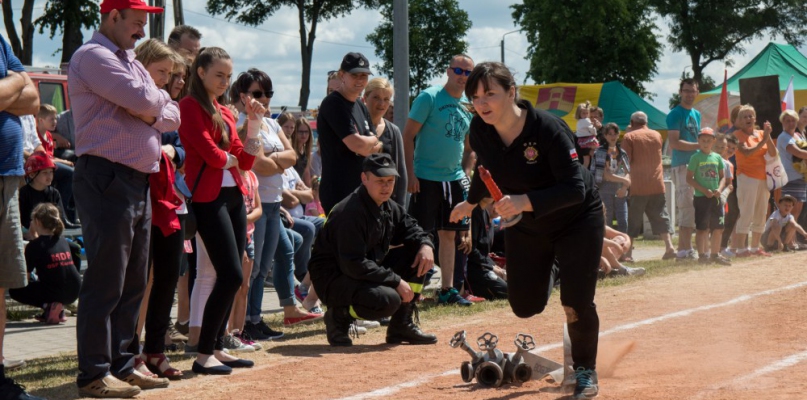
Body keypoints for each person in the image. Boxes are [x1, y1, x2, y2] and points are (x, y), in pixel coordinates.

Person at [450, 62, 603, 399]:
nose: (482, 103)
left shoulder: (547, 129)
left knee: (576, 300)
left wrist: (522, 200)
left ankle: (585, 372)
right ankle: (559, 263)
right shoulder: (480, 129)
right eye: (476, 97)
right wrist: (472, 203)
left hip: (576, 218)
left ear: (511, 92)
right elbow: (485, 168)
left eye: (490, 93)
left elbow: (575, 189)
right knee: (524, 305)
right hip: (528, 224)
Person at [68, 0, 179, 396]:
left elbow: (171, 115)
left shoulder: (130, 60)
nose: (141, 31)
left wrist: (151, 107)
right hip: (106, 177)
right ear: (111, 16)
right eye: (135, 22)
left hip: (135, 179)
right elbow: (152, 104)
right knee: (106, 280)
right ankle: (94, 374)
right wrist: (151, 107)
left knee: (133, 281)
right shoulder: (93, 56)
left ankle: (121, 363)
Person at [179, 47, 262, 375]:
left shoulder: (226, 112)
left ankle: (215, 347)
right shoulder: (189, 105)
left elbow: (246, 159)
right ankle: (203, 354)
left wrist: (253, 125)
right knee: (230, 274)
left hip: (233, 199)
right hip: (207, 199)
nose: (224, 81)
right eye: (219, 75)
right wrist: (231, 159)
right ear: (200, 72)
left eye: (228, 76)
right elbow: (211, 153)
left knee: (233, 274)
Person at [309, 153, 437, 347]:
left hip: (361, 269)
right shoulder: (350, 212)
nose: (386, 186)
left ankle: (401, 324)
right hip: (334, 278)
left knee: (417, 253)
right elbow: (353, 263)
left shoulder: (388, 206)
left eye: (390, 181)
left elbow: (412, 228)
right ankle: (339, 316)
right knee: (387, 300)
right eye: (379, 181)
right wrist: (396, 281)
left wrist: (426, 245)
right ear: (364, 179)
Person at [129, 37, 187, 380]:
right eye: (162, 71)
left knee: (167, 274)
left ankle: (155, 349)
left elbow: (181, 145)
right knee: (137, 279)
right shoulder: (129, 94)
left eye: (172, 73)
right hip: (138, 193)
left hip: (169, 201)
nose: (168, 79)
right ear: (142, 65)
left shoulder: (170, 102)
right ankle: (129, 350)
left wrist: (173, 153)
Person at [403, 54, 474, 306]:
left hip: (453, 179)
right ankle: (413, 289)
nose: (462, 76)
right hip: (425, 177)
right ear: (448, 71)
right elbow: (407, 136)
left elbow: (469, 148)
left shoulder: (469, 105)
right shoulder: (429, 97)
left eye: (467, 72)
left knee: (450, 235)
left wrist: (465, 174)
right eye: (458, 70)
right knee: (420, 235)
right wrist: (411, 174)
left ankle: (447, 290)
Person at [0, 23, 41, 400]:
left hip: (7, 175)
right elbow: (20, 89)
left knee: (0, 283)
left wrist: (10, 86)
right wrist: (16, 81)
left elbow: (33, 98)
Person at [317, 52, 381, 214]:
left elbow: (377, 146)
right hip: (339, 192)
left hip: (361, 189)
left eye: (364, 75)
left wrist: (368, 144)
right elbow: (357, 145)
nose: (360, 80)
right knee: (345, 238)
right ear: (342, 75)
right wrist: (368, 143)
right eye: (355, 75)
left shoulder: (360, 105)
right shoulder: (334, 103)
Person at [8, 203, 80, 324]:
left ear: (37, 221)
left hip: (56, 292)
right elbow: (76, 248)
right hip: (74, 291)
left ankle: (48, 306)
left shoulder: (34, 246)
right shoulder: (62, 240)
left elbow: (24, 277)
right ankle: (57, 309)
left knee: (15, 290)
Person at [622, 111, 677, 259]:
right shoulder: (656, 135)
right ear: (646, 122)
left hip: (638, 185)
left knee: (633, 219)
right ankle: (669, 247)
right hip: (656, 183)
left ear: (632, 123)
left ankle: (628, 254)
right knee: (661, 216)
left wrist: (628, 133)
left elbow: (625, 160)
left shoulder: (629, 137)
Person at [731, 105, 776, 257]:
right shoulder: (737, 135)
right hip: (746, 177)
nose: (748, 119)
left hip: (763, 178)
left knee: (761, 212)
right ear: (739, 121)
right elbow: (747, 153)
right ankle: (741, 249)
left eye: (751, 116)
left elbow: (773, 153)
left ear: (755, 118)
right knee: (746, 212)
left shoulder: (762, 134)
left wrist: (767, 136)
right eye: (745, 117)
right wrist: (764, 140)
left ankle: (755, 247)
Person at [685, 128, 730, 265]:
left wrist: (719, 189)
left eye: (709, 141)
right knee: (702, 228)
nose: (706, 143)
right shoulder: (695, 157)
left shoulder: (717, 158)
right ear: (698, 141)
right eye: (703, 140)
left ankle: (715, 255)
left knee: (718, 227)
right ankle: (702, 255)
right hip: (701, 198)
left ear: (713, 141)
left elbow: (723, 178)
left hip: (716, 198)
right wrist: (704, 190)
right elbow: (689, 178)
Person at [667, 78, 701, 261]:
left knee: (692, 208)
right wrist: (700, 145)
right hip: (681, 166)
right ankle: (684, 250)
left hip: (694, 165)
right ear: (680, 92)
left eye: (692, 91)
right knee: (686, 207)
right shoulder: (675, 114)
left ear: (697, 92)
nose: (689, 94)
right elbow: (673, 142)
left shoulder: (696, 114)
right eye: (686, 90)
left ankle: (684, 249)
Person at [363, 77, 407, 206]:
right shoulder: (356, 128)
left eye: (386, 99)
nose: (382, 104)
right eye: (376, 97)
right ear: (365, 97)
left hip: (387, 203)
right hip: (359, 201)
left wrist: (400, 208)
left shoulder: (394, 131)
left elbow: (401, 172)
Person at [19, 151, 80, 234]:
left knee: (75, 247)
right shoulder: (23, 193)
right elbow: (21, 222)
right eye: (45, 173)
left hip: (50, 233)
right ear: (32, 174)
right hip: (30, 234)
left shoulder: (54, 193)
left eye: (51, 172)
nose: (49, 176)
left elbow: (61, 219)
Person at [34, 105, 77, 224]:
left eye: (55, 119)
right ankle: (61, 214)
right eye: (51, 119)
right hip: (41, 166)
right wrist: (64, 161)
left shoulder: (48, 135)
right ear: (41, 120)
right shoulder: (37, 136)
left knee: (74, 172)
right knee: (70, 173)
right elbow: (45, 157)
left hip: (49, 164)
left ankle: (69, 213)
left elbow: (50, 156)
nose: (55, 122)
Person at [589, 122, 630, 234]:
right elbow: (606, 175)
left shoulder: (622, 152)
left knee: (623, 220)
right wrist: (624, 180)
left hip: (620, 190)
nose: (612, 136)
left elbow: (628, 172)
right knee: (607, 220)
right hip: (604, 188)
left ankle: (623, 247)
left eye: (615, 133)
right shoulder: (600, 152)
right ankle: (608, 247)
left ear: (618, 135)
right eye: (610, 134)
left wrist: (624, 187)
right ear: (605, 136)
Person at [464, 197, 508, 300]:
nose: (496, 206)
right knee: (507, 292)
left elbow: (484, 253)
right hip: (472, 269)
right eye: (493, 202)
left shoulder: (490, 221)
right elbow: (471, 250)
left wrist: (494, 266)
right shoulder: (475, 213)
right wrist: (492, 267)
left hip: (483, 266)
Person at [776, 109, 807, 250]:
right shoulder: (783, 137)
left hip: (800, 178)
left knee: (797, 212)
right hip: (790, 178)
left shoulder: (797, 135)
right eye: (787, 120)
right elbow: (799, 153)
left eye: (793, 120)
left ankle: (792, 241)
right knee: (791, 213)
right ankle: (788, 242)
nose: (790, 123)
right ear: (782, 122)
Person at [574, 101, 599, 167]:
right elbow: (592, 130)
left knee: (586, 161)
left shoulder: (579, 122)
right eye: (583, 113)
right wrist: (595, 131)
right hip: (588, 140)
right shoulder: (586, 120)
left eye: (586, 113)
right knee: (597, 151)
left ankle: (583, 172)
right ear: (579, 114)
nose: (585, 115)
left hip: (581, 142)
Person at [291, 117, 314, 185]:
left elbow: (306, 173)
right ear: (295, 132)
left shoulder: (305, 150)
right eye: (300, 132)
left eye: (306, 132)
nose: (304, 135)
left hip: (300, 186)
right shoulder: (290, 149)